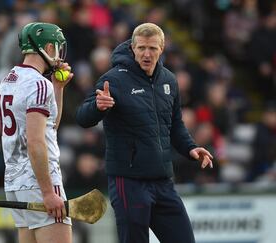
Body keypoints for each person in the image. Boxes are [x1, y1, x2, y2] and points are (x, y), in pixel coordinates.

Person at [76, 23, 213, 243]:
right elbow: (82, 118)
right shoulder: (114, 80)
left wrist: (190, 148)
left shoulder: (169, 80)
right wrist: (97, 107)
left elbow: (175, 124)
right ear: (132, 48)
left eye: (152, 48)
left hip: (163, 180)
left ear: (162, 48)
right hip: (129, 181)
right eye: (141, 48)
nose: (146, 54)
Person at [0, 22, 73, 243]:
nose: (59, 55)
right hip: (39, 181)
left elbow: (49, 127)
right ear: (48, 48)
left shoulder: (9, 79)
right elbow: (36, 142)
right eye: (57, 48)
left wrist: (58, 89)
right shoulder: (39, 84)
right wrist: (49, 192)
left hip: (15, 183)